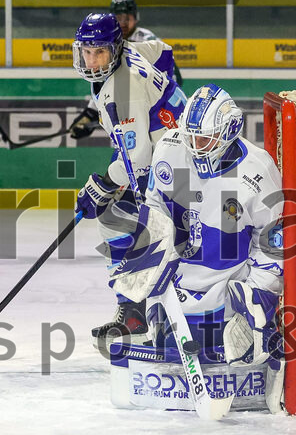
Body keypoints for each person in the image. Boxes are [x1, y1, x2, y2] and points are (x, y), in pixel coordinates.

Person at [107, 84, 285, 412]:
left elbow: (274, 241)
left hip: (229, 289)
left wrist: (256, 294)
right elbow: (155, 203)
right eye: (190, 136)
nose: (195, 146)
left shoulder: (258, 171)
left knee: (237, 347)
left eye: (204, 139)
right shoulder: (170, 150)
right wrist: (153, 247)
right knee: (170, 348)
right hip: (177, 288)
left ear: (229, 131)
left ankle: (264, 336)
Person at [72, 12, 187, 349]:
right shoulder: (132, 52)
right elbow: (163, 51)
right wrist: (164, 97)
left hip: (171, 165)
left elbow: (136, 160)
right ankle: (147, 311)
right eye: (87, 52)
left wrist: (100, 186)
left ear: (115, 48)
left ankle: (143, 313)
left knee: (118, 221)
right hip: (171, 150)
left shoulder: (123, 90)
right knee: (150, 230)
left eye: (100, 53)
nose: (92, 60)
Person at [109, 0, 183, 88]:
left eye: (127, 18)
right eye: (118, 18)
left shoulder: (148, 40)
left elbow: (175, 77)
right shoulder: (108, 41)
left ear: (136, 18)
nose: (123, 23)